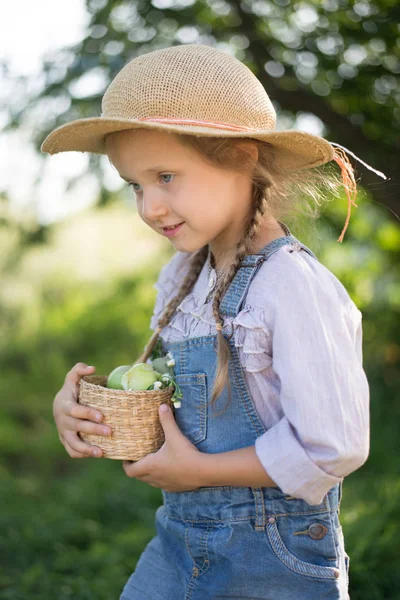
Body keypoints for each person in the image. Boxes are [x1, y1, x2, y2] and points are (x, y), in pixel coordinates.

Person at [42, 44, 385, 599]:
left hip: (274, 559)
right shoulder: (182, 279)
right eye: (136, 185)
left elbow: (334, 447)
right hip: (178, 542)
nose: (149, 207)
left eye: (167, 176)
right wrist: (94, 413)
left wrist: (201, 473)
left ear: (242, 158)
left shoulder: (291, 286)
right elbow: (176, 406)